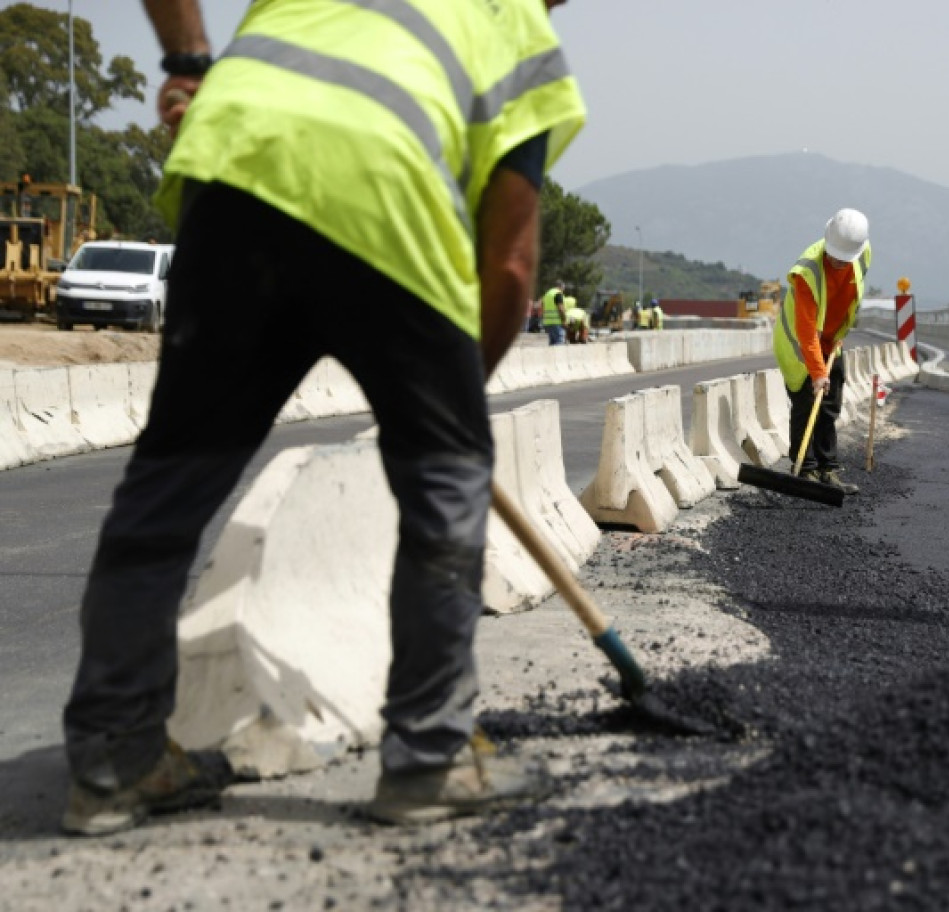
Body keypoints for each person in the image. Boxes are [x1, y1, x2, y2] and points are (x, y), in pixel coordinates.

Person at [60, 0, 585, 837]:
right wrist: (450, 424)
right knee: (445, 495)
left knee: (168, 488)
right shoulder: (517, 31)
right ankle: (428, 759)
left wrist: (188, 61)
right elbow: (512, 264)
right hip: (386, 201)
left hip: (232, 182)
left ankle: (114, 762)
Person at [772, 208, 872, 496]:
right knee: (807, 404)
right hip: (798, 346)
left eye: (845, 259)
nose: (839, 263)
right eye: (835, 257)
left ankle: (828, 469)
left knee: (830, 405)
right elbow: (805, 332)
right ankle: (805, 468)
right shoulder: (807, 272)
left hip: (831, 341)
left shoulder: (862, 252)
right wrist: (817, 373)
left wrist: (837, 335)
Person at [540, 279, 567, 345]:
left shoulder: (547, 294)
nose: (563, 290)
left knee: (552, 342)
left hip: (548, 322)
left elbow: (542, 306)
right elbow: (560, 308)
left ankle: (550, 355)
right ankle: (558, 355)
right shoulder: (558, 294)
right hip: (556, 322)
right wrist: (564, 320)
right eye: (563, 288)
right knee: (559, 341)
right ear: (561, 287)